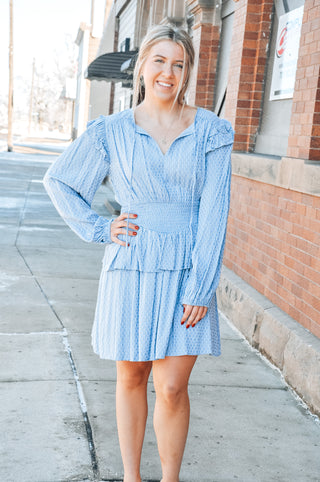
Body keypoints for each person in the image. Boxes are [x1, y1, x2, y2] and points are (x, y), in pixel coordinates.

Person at [43, 24, 234, 482]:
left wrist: (202, 285)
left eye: (179, 64)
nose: (169, 72)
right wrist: (100, 227)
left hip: (187, 268)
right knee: (131, 377)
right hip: (130, 265)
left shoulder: (210, 130)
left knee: (171, 385)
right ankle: (132, 477)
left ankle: (170, 478)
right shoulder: (110, 131)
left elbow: (215, 214)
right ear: (143, 68)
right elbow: (61, 180)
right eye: (160, 61)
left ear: (187, 73)